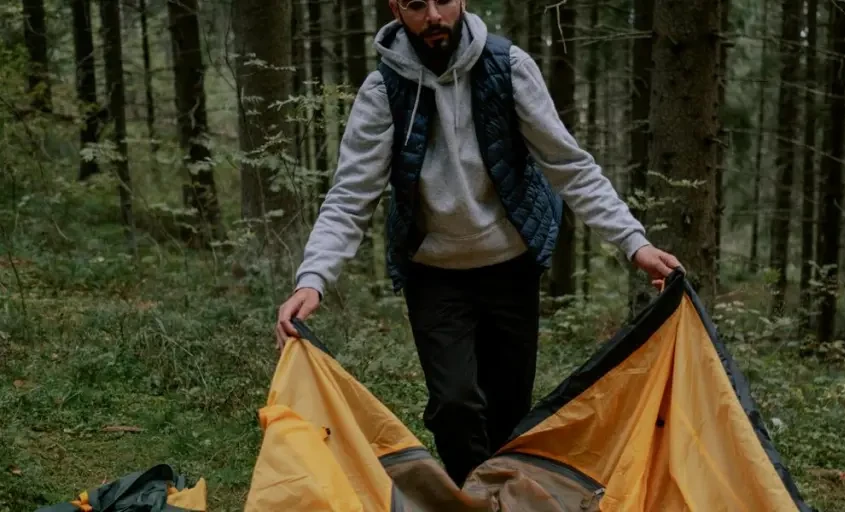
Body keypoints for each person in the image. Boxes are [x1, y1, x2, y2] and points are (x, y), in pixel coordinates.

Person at [275, 0, 683, 487]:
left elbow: (569, 166)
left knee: (509, 414)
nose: (433, 16)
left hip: (510, 266)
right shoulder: (383, 91)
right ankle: (471, 502)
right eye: (415, 5)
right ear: (395, 10)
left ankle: (503, 498)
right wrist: (313, 279)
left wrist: (634, 243)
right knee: (455, 407)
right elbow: (350, 196)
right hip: (435, 273)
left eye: (442, 0)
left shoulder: (509, 68)